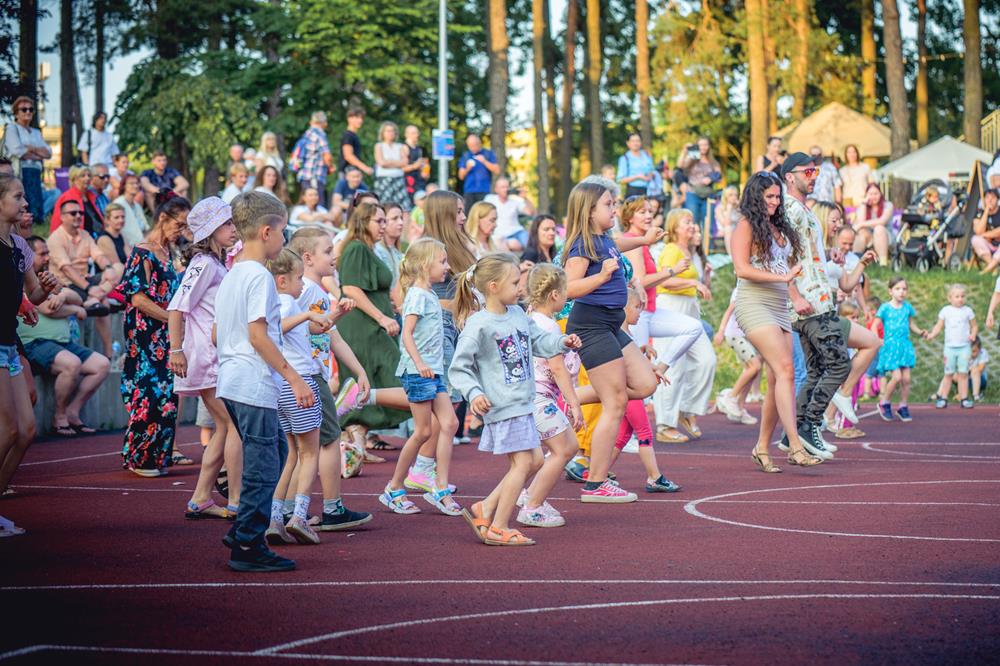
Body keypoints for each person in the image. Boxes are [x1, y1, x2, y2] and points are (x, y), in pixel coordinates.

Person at [449, 253, 581, 546]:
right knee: (523, 463)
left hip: (523, 402)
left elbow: (539, 342)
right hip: (502, 405)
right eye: (514, 282)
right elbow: (459, 367)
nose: (520, 288)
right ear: (493, 286)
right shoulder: (480, 324)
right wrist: (474, 393)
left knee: (533, 460)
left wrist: (562, 342)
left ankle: (485, 508)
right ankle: (498, 526)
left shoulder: (519, 315)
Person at [215, 191, 311, 573]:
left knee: (274, 453)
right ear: (267, 231)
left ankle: (243, 530)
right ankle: (248, 545)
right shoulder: (258, 277)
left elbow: (217, 332)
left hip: (233, 379)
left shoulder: (234, 274)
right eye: (284, 232)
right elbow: (258, 336)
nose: (285, 240)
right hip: (251, 382)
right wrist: (294, 378)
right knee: (264, 466)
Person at [562, 181, 659, 502]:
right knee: (615, 403)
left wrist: (644, 240)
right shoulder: (580, 247)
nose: (615, 209)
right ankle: (596, 483)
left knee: (646, 384)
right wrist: (602, 277)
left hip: (611, 325)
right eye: (609, 204)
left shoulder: (603, 239)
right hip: (591, 326)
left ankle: (568, 397)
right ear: (589, 211)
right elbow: (569, 289)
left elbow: (618, 241)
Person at [730, 171, 822, 472]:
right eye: (768, 196)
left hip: (779, 304)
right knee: (785, 369)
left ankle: (761, 447)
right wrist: (781, 278)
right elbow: (742, 269)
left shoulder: (776, 225)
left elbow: (785, 267)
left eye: (777, 196)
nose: (774, 201)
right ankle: (795, 446)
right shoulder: (745, 225)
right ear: (755, 197)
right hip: (753, 303)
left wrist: (793, 293)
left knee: (778, 378)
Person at [287, 227, 372, 531]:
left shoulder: (315, 292)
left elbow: (332, 337)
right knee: (328, 440)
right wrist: (332, 318)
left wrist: (359, 370)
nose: (334, 256)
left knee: (304, 447)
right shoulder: (306, 291)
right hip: (308, 374)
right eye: (327, 251)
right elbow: (301, 328)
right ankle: (331, 507)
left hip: (309, 372)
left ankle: (286, 509)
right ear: (307, 258)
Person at [166, 197, 243, 518]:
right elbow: (176, 307)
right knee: (233, 426)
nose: (233, 229)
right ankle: (237, 499)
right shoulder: (203, 264)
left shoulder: (216, 263)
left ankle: (201, 497)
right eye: (226, 224)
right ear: (210, 231)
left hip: (214, 355)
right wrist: (176, 349)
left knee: (225, 427)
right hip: (205, 356)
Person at [780, 152, 857, 456]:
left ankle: (793, 436)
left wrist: (828, 253)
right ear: (790, 176)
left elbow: (804, 250)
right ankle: (809, 425)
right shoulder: (791, 211)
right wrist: (795, 296)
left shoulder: (803, 210)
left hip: (817, 299)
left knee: (816, 369)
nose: (813, 177)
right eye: (808, 172)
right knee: (839, 365)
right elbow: (780, 257)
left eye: (815, 172)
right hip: (809, 302)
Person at [379, 238, 462, 515]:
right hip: (418, 372)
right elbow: (407, 333)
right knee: (423, 431)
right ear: (426, 265)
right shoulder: (416, 295)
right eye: (442, 261)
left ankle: (440, 486)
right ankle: (394, 487)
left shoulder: (429, 295)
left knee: (449, 423)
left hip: (433, 371)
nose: (447, 267)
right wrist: (420, 363)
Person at [0, 175, 62, 536]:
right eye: (18, 196)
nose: (25, 203)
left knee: (25, 431)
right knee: (8, 429)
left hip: (9, 343)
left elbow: (35, 295)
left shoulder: (19, 246)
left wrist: (47, 287)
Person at [264, 249, 332, 546]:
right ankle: (299, 516)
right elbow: (277, 330)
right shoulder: (288, 301)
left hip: (281, 385)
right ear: (282, 279)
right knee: (310, 454)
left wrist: (332, 314)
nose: (302, 285)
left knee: (292, 454)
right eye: (298, 278)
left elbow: (317, 326)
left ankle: (276, 518)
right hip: (300, 381)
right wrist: (305, 312)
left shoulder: (273, 302)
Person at [118, 193, 189, 477]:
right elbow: (137, 299)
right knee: (149, 392)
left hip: (165, 334)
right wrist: (170, 318)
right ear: (163, 218)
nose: (181, 231)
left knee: (169, 395)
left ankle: (159, 455)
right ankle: (140, 456)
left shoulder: (169, 252)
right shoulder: (142, 251)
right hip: (146, 335)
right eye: (179, 224)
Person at [19, 236, 110, 437]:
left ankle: (72, 412)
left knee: (101, 365)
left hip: (63, 343)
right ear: (28, 255)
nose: (47, 257)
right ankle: (59, 418)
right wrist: (74, 310)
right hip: (36, 343)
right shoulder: (26, 280)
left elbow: (79, 297)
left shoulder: (49, 276)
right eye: (42, 253)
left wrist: (63, 296)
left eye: (47, 253)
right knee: (72, 364)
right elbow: (46, 308)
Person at [335, 203, 411, 439]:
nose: (384, 225)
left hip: (373, 326)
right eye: (379, 221)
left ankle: (354, 445)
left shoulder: (368, 249)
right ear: (363, 222)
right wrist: (381, 317)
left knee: (379, 378)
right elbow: (349, 288)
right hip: (362, 327)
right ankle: (345, 424)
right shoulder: (356, 249)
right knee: (393, 377)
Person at [519, 263, 585, 527]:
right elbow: (558, 369)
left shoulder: (530, 317)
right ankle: (532, 505)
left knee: (545, 454)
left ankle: (532, 495)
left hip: (530, 397)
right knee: (565, 448)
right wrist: (574, 404)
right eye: (565, 290)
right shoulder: (548, 326)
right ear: (555, 295)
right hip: (538, 398)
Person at [650, 208, 717, 442]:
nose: (691, 225)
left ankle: (686, 409)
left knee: (707, 360)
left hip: (690, 308)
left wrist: (703, 280)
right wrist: (692, 282)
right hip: (671, 307)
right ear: (674, 227)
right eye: (686, 222)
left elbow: (694, 284)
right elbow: (665, 280)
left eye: (691, 222)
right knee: (672, 366)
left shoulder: (692, 252)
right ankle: (664, 424)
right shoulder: (671, 250)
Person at [876, 277, 929, 422]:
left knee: (906, 379)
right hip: (890, 346)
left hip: (904, 346)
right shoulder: (885, 308)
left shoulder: (907, 307)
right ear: (890, 291)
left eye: (904, 289)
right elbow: (875, 325)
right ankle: (884, 402)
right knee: (897, 377)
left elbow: (911, 324)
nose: (901, 292)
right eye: (898, 289)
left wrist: (920, 332)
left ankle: (903, 406)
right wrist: (877, 339)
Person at [713, 292, 762, 425]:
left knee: (751, 371)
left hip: (748, 335)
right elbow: (729, 311)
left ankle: (740, 408)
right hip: (735, 335)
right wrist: (721, 331)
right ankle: (731, 397)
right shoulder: (741, 288)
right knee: (755, 366)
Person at [926, 284, 978, 409]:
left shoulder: (968, 311)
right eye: (957, 296)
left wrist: (973, 334)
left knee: (963, 373)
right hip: (949, 348)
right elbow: (939, 325)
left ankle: (964, 398)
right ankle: (943, 398)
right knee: (948, 373)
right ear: (950, 298)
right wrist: (932, 334)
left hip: (964, 348)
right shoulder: (946, 311)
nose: (960, 299)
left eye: (962, 296)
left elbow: (974, 326)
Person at [2, 97, 51, 224]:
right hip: (20, 171)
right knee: (24, 198)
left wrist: (30, 148)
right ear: (16, 113)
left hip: (36, 172)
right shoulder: (12, 129)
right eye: (24, 109)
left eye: (30, 109)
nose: (28, 112)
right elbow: (18, 151)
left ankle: (36, 219)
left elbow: (48, 152)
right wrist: (38, 154)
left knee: (42, 197)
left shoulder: (36, 132)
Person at [678, 136, 721, 233]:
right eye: (700, 145)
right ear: (697, 146)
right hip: (692, 193)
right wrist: (685, 151)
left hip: (707, 195)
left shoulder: (713, 162)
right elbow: (680, 165)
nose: (703, 147)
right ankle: (693, 247)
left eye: (705, 144)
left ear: (709, 146)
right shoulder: (692, 158)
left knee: (708, 224)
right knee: (692, 222)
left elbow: (719, 175)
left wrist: (711, 178)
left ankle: (707, 248)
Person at [294, 111, 335, 207]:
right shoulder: (320, 135)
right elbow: (327, 156)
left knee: (306, 203)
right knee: (317, 204)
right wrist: (331, 166)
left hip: (304, 175)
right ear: (323, 122)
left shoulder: (307, 134)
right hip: (315, 176)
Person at [483, 177, 535, 252]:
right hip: (500, 235)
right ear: (496, 189)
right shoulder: (489, 199)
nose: (506, 189)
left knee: (531, 245)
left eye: (507, 187)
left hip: (517, 232)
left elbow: (530, 212)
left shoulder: (515, 200)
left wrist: (525, 198)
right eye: (503, 187)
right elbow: (481, 213)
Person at [51, 165, 103, 234]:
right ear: (74, 179)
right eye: (83, 176)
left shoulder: (92, 196)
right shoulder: (67, 197)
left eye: (89, 175)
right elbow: (56, 223)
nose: (87, 178)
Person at [373, 122, 411, 211]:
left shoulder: (400, 146)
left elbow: (405, 162)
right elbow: (381, 163)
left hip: (398, 180)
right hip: (383, 180)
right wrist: (398, 163)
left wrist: (388, 162)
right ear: (383, 133)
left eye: (392, 131)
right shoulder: (379, 146)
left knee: (403, 207)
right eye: (388, 131)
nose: (390, 133)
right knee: (383, 206)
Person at [852, 182, 892, 265]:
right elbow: (861, 221)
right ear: (866, 195)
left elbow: (882, 221)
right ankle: (855, 261)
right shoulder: (863, 206)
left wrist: (860, 225)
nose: (873, 196)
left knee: (879, 228)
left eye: (876, 193)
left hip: (886, 236)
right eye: (870, 194)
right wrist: (864, 204)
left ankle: (883, 263)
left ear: (880, 194)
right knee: (861, 232)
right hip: (869, 237)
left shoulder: (888, 205)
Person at [375, 201, 406, 305]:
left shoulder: (399, 253)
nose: (401, 222)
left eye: (401, 218)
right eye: (395, 218)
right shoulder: (376, 251)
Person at [457, 134, 500, 210]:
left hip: (484, 191)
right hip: (469, 191)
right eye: (470, 146)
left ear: (479, 143)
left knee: (483, 214)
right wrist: (467, 168)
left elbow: (497, 170)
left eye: (474, 145)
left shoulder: (488, 154)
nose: (472, 148)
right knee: (468, 215)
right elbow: (461, 176)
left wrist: (484, 161)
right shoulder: (466, 156)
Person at [112, 174, 148, 246]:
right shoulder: (118, 204)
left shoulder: (137, 205)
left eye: (137, 183)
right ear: (124, 185)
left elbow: (145, 228)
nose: (135, 186)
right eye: (131, 183)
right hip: (127, 247)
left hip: (142, 244)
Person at [617, 132, 655, 199]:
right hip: (633, 191)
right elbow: (621, 180)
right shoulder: (625, 158)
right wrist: (637, 177)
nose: (635, 143)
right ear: (628, 143)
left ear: (641, 142)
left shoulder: (646, 155)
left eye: (637, 141)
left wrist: (650, 175)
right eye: (633, 141)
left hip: (649, 191)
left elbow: (652, 170)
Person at [339, 107, 373, 180]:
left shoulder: (353, 136)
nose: (360, 120)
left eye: (362, 118)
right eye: (357, 117)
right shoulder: (348, 135)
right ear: (349, 119)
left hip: (354, 173)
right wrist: (365, 168)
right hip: (348, 173)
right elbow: (348, 156)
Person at [839, 144, 873, 211]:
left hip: (863, 199)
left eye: (854, 152)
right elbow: (839, 189)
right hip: (847, 201)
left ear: (857, 153)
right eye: (849, 152)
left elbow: (872, 184)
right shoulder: (842, 171)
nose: (852, 154)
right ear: (846, 154)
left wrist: (869, 198)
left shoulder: (865, 167)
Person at [96, 203, 132, 267]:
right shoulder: (104, 239)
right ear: (107, 220)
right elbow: (116, 265)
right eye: (116, 217)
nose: (121, 220)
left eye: (123, 217)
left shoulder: (121, 235)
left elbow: (131, 258)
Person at [971, 188, 1000, 267]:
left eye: (993, 198)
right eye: (987, 197)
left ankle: (989, 269)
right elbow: (978, 232)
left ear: (997, 199)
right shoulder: (980, 213)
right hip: (988, 246)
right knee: (975, 239)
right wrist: (986, 211)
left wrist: (985, 235)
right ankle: (993, 266)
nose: (990, 200)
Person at [402, 125, 429, 200]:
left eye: (417, 133)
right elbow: (400, 168)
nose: (417, 135)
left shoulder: (420, 149)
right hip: (408, 182)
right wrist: (415, 166)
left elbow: (426, 165)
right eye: (413, 133)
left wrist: (425, 172)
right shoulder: (403, 148)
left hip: (420, 181)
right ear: (406, 134)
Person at [715, 185, 741, 256]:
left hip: (736, 231)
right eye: (731, 195)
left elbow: (743, 221)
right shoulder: (719, 208)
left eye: (735, 195)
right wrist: (729, 208)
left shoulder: (737, 208)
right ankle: (731, 255)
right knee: (728, 228)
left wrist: (740, 208)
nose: (734, 197)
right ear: (726, 197)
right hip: (724, 231)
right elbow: (725, 223)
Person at [969, 336, 989, 401]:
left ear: (980, 349)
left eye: (974, 351)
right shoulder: (964, 354)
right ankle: (940, 394)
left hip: (980, 379)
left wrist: (969, 369)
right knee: (951, 373)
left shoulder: (983, 353)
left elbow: (980, 369)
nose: (971, 354)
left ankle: (976, 395)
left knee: (975, 370)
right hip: (966, 379)